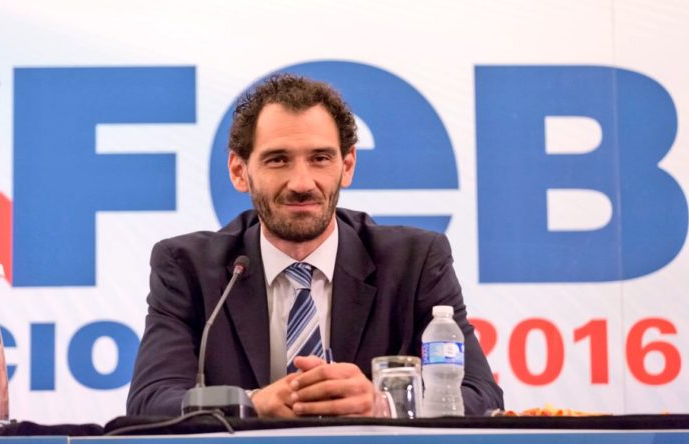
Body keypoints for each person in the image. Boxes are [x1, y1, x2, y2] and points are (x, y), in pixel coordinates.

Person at [126, 74, 503, 418]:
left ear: (347, 166)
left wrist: (384, 404)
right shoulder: (188, 268)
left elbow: (481, 395)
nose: (302, 183)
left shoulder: (415, 262)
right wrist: (252, 403)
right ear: (240, 171)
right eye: (278, 160)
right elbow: (151, 400)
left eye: (320, 158)